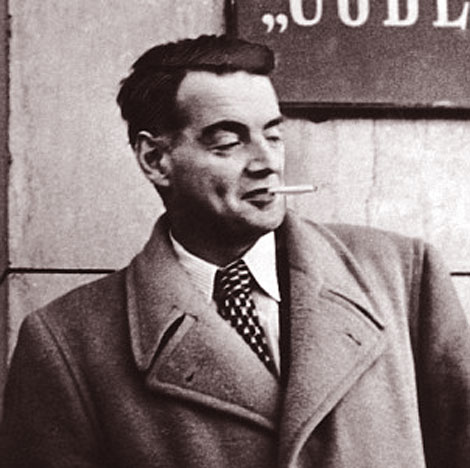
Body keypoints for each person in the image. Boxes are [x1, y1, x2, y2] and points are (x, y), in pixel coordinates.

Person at [1, 34, 469, 468]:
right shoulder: (68, 344)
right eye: (229, 142)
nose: (267, 163)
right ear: (155, 160)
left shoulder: (401, 276)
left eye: (273, 135)